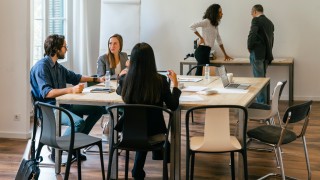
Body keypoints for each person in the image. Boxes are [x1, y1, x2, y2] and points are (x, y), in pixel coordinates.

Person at [30, 34, 106, 162]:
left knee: (97, 110)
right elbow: (47, 93)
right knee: (78, 122)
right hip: (49, 109)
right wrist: (71, 89)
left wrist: (96, 79)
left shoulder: (58, 67)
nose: (67, 49)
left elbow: (75, 77)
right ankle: (59, 148)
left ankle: (74, 147)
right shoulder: (42, 67)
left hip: (62, 104)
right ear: (56, 49)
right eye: (65, 46)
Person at [116, 42, 181, 180]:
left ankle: (138, 170)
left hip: (129, 134)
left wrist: (121, 76)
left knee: (142, 128)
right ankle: (156, 157)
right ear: (151, 60)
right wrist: (175, 85)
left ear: (131, 60)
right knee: (164, 144)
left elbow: (119, 91)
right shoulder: (160, 81)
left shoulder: (125, 80)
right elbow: (173, 105)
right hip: (154, 135)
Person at [189, 3, 233, 76]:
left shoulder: (215, 25)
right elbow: (191, 26)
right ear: (214, 13)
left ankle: (198, 86)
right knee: (203, 74)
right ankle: (197, 86)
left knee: (202, 73)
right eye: (220, 12)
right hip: (202, 51)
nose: (222, 14)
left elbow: (219, 39)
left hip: (206, 52)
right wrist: (201, 38)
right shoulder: (206, 21)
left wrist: (225, 54)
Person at [248, 4, 274, 104]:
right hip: (266, 55)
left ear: (255, 11)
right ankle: (264, 103)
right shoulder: (270, 22)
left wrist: (249, 47)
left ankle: (261, 105)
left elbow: (252, 34)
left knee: (258, 81)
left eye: (251, 12)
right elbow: (272, 40)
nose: (251, 14)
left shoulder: (256, 20)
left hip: (257, 54)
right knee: (263, 80)